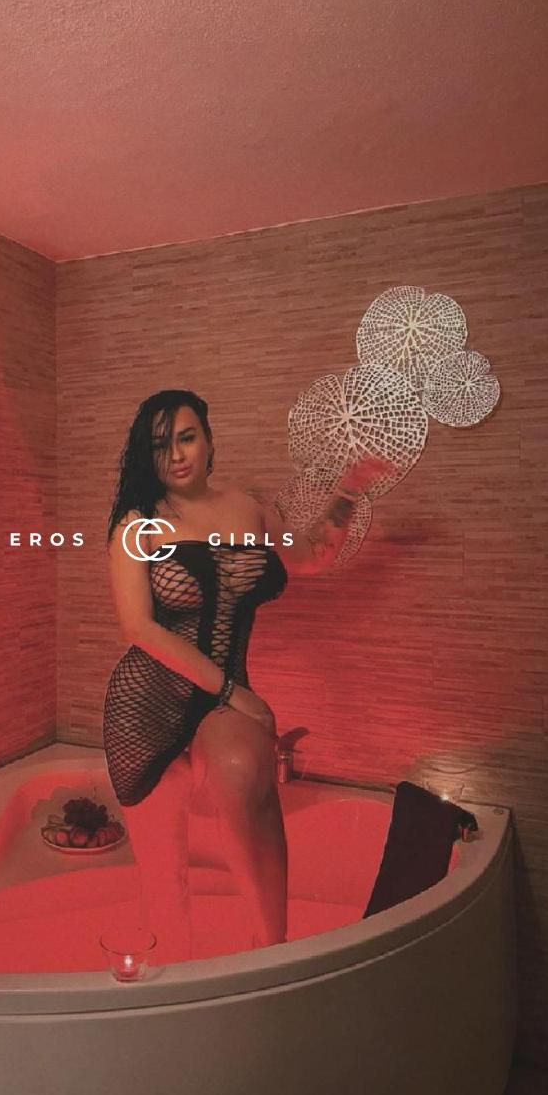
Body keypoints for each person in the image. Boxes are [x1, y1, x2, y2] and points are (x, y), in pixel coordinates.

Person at [103, 388, 394, 962]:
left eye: (187, 438)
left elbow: (312, 555)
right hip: (146, 705)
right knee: (165, 889)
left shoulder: (248, 509)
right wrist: (234, 692)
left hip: (217, 701)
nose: (176, 455)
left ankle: (269, 956)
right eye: (160, 445)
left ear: (209, 441)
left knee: (247, 776)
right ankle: (176, 997)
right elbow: (139, 628)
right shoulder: (136, 524)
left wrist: (350, 489)